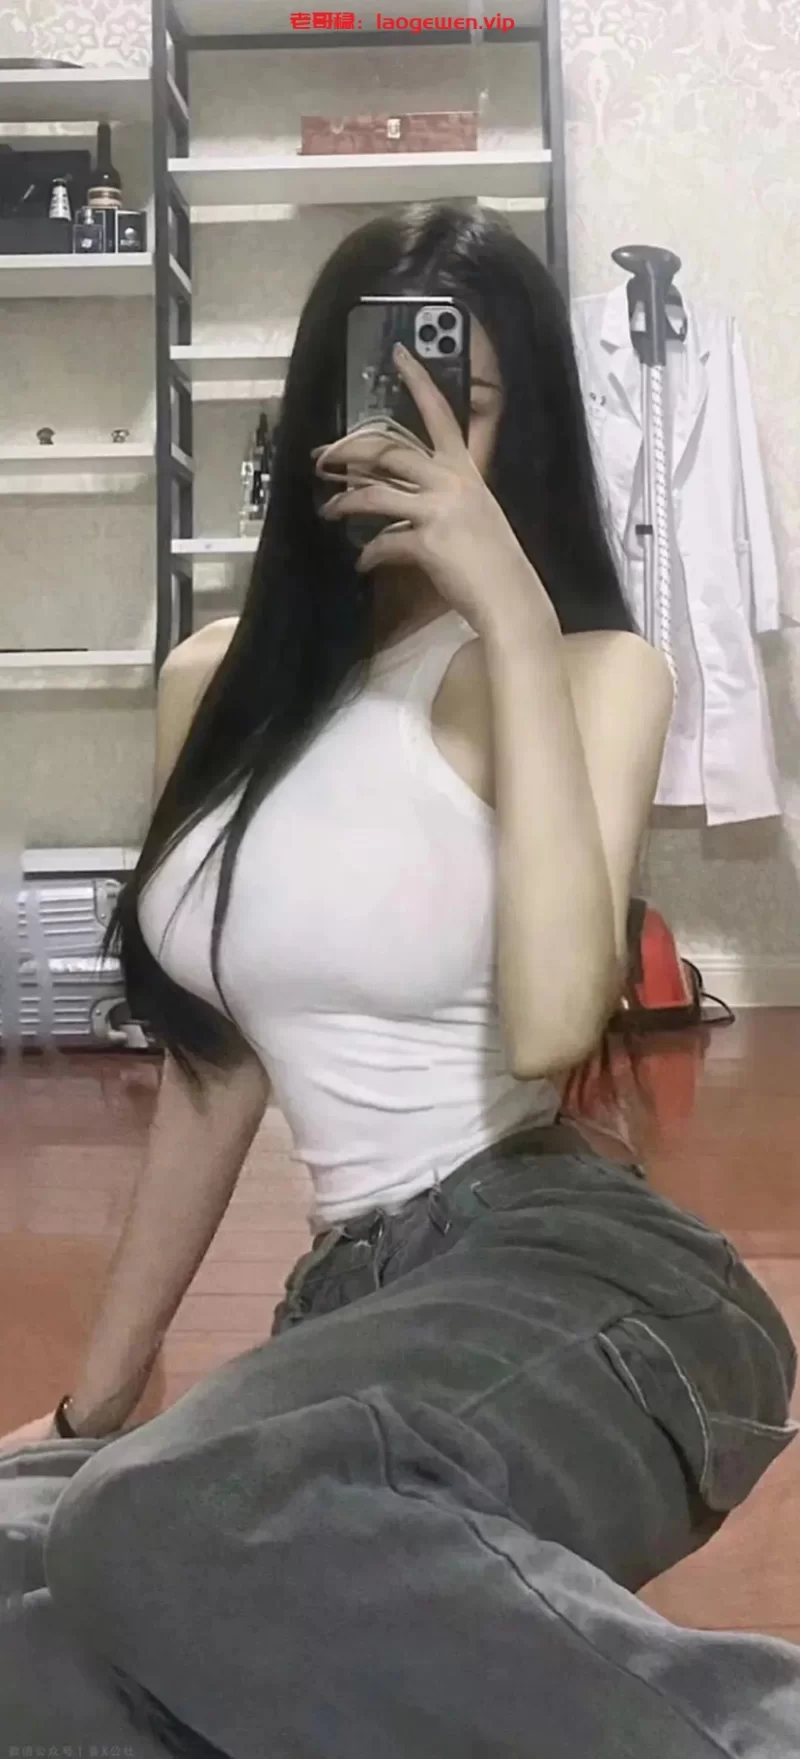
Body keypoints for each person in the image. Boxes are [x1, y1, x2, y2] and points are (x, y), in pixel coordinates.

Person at [1, 202, 798, 1758]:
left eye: (460, 402)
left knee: (157, 1521)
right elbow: (216, 1068)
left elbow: (557, 1026)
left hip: (580, 1279)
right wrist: (96, 1405)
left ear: (525, 430)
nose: (406, 435)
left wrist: (510, 610)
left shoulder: (588, 672)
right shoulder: (214, 685)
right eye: (373, 390)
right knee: (40, 1604)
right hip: (351, 1305)